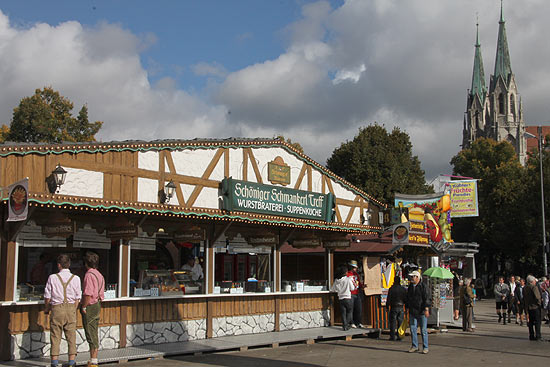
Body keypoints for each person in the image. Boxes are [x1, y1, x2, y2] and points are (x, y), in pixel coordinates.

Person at [44, 254, 82, 367]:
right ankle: (71, 361)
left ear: (59, 265)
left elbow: (47, 296)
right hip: (70, 308)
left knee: (55, 336)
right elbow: (77, 297)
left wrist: (47, 309)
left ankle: (54, 362)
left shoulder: (52, 277)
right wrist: (73, 309)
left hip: (57, 308)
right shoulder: (76, 278)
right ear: (69, 264)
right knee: (71, 336)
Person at [80, 251, 105, 367]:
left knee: (90, 331)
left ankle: (93, 359)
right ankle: (94, 358)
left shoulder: (89, 275)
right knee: (94, 330)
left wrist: (83, 306)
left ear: (86, 263)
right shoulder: (99, 275)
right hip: (98, 304)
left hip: (91, 305)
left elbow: (88, 293)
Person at [405, 270, 431, 354]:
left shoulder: (423, 286)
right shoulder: (410, 287)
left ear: (417, 277)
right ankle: (414, 346)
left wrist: (426, 309)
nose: (411, 278)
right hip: (413, 311)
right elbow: (408, 298)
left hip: (421, 311)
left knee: (423, 330)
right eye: (411, 276)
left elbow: (427, 298)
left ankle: (425, 347)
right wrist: (407, 308)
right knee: (413, 329)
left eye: (413, 276)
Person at [330, 264, 356, 331]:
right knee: (349, 312)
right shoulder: (348, 279)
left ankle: (344, 326)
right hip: (347, 297)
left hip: (340, 298)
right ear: (345, 272)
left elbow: (333, 289)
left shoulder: (336, 280)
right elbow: (352, 288)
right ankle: (346, 325)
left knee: (343, 313)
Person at [386, 275, 407, 341]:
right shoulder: (403, 289)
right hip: (401, 307)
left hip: (393, 306)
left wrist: (387, 306)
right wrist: (406, 307)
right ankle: (399, 336)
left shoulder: (391, 289)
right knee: (400, 322)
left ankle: (392, 336)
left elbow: (388, 298)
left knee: (393, 322)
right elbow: (405, 299)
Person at [346, 260, 365, 328]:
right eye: (354, 268)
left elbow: (358, 282)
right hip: (350, 293)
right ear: (351, 267)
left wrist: (362, 286)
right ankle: (351, 322)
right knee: (351, 309)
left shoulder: (356, 274)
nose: (355, 269)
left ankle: (358, 322)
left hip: (357, 292)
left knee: (358, 308)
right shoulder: (347, 274)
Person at [524, 275, 542, 341]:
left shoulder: (525, 287)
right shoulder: (534, 287)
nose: (535, 282)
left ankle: (531, 335)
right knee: (537, 322)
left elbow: (525, 298)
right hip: (535, 306)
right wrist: (539, 303)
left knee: (531, 322)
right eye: (534, 280)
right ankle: (538, 335)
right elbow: (537, 297)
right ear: (532, 281)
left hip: (529, 306)